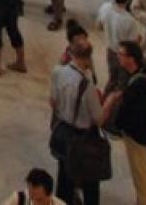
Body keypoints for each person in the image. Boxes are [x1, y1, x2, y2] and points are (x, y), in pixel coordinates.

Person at [49, 40, 108, 205]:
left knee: (64, 175)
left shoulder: (57, 71)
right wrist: (109, 102)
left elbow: (52, 102)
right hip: (83, 136)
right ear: (88, 58)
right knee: (90, 178)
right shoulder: (87, 86)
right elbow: (99, 119)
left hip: (63, 130)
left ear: (70, 54)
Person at [103, 41, 146, 204]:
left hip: (137, 137)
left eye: (121, 54)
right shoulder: (145, 74)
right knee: (139, 174)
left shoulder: (138, 84)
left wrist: (118, 123)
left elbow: (131, 114)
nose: (118, 57)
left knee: (141, 176)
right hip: (141, 133)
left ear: (131, 58)